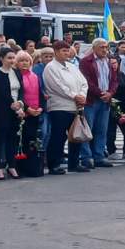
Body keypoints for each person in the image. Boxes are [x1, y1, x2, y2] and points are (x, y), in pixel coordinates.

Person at [43, 40, 90, 174]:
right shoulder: (51, 67)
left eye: (67, 50)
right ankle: (54, 164)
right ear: (56, 52)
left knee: (76, 136)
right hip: (60, 107)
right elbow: (57, 86)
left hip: (76, 107)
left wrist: (82, 95)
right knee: (58, 136)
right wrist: (74, 95)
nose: (66, 53)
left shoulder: (72, 66)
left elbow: (83, 82)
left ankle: (74, 163)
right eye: (63, 51)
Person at [78, 39, 119, 168]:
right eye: (102, 47)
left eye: (106, 47)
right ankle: (86, 157)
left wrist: (110, 93)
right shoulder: (86, 62)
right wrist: (101, 93)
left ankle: (99, 156)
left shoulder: (108, 61)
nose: (105, 49)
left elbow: (114, 80)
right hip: (92, 100)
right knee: (88, 130)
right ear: (94, 48)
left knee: (102, 130)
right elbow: (86, 81)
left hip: (105, 100)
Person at [0, 49, 27, 179]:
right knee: (0, 139)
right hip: (2, 110)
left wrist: (20, 103)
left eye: (13, 58)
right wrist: (13, 104)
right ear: (1, 58)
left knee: (13, 138)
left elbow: (22, 90)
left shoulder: (17, 72)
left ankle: (12, 165)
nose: (12, 60)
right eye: (9, 58)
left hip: (16, 108)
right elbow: (2, 92)